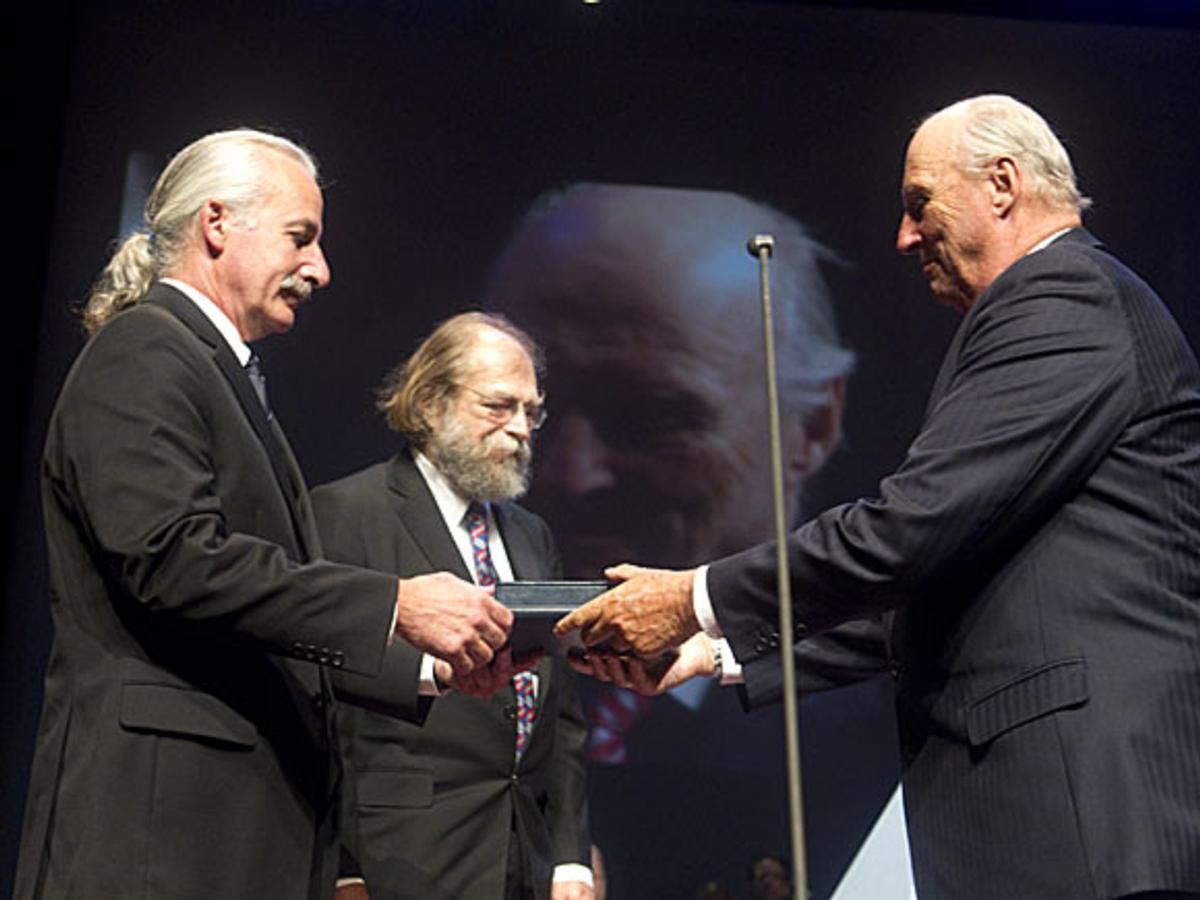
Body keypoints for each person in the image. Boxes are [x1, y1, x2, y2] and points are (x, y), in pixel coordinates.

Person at [557, 95, 1200, 899]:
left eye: (919, 203)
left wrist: (694, 599)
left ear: (1003, 184)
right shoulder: (1059, 306)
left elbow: (910, 531)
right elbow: (938, 584)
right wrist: (709, 652)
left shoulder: (1063, 296)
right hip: (1052, 816)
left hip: (1082, 812)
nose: (904, 236)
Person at [14, 129, 516, 900]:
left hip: (219, 829)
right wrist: (396, 604)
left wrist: (428, 666)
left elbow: (257, 618)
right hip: (158, 833)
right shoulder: (145, 352)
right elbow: (175, 561)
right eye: (300, 237)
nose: (320, 268)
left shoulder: (213, 370)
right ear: (217, 223)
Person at [311, 312, 592, 900]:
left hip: (526, 858)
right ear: (431, 404)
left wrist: (571, 859)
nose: (521, 429)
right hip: (399, 857)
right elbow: (319, 703)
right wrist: (342, 864)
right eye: (499, 406)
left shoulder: (532, 534)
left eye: (532, 412)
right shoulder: (346, 513)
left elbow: (561, 714)